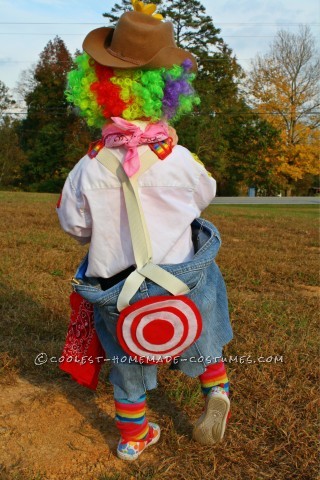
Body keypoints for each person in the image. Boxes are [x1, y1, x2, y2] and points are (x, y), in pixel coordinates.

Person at [57, 1, 233, 461]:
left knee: (126, 365)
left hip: (122, 295)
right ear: (167, 90)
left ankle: (134, 438)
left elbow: (74, 225)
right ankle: (215, 387)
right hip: (180, 290)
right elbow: (205, 194)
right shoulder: (179, 157)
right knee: (205, 311)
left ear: (95, 88)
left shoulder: (88, 166)